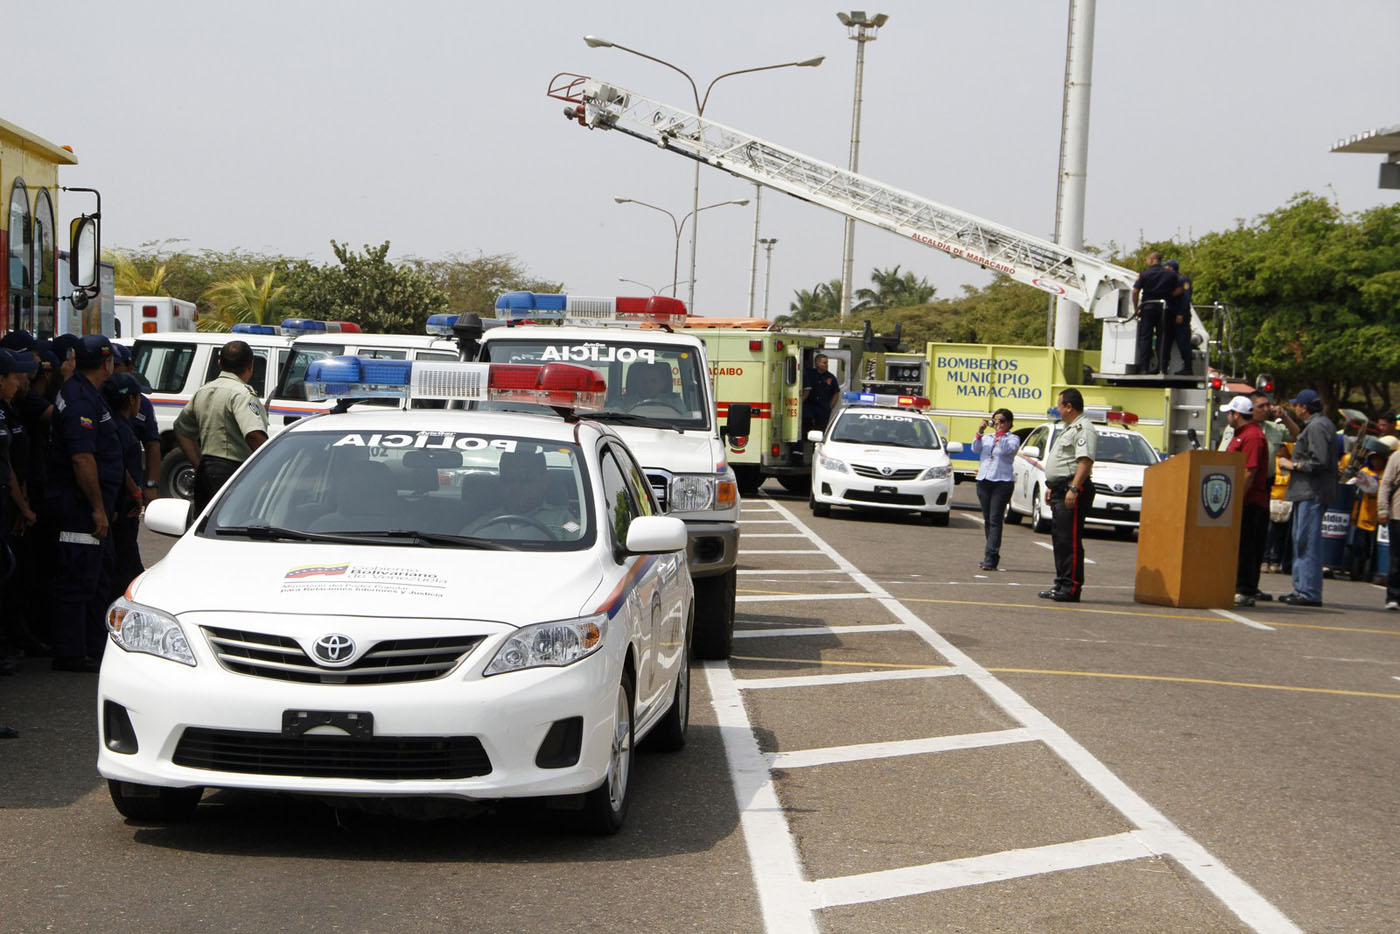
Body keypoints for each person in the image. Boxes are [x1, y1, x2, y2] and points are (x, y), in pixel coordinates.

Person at [45, 335, 125, 672]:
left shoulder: (84, 392)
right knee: (78, 579)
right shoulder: (80, 401)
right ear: (107, 363)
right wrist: (96, 507)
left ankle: (89, 646)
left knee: (97, 575)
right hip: (79, 508)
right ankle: (71, 653)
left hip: (92, 505)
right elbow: (82, 458)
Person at [173, 340, 269, 517]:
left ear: (219, 363)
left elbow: (181, 430)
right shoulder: (242, 394)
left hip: (205, 473)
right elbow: (254, 435)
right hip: (233, 474)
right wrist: (271, 465)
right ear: (251, 365)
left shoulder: (203, 391)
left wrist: (199, 463)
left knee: (206, 528)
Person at [1275, 388, 1337, 606]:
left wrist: (1293, 465)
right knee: (1300, 542)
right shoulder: (1315, 425)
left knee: (1307, 543)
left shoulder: (1318, 427)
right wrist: (1284, 417)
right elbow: (1298, 432)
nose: (1295, 408)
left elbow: (1320, 461)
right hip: (1306, 491)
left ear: (1304, 407)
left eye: (1297, 405)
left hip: (1313, 491)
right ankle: (1301, 588)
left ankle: (1308, 592)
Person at [1040, 388, 1097, 602]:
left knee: (1070, 540)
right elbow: (1064, 461)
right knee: (1060, 540)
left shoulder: (1084, 428)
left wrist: (1073, 488)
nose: (1058, 409)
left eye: (1059, 405)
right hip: (1060, 489)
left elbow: (1085, 461)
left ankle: (1071, 588)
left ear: (1069, 407)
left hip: (1071, 490)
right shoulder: (1069, 428)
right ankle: (1061, 584)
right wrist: (1051, 485)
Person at [101, 372, 148, 597]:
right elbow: (118, 467)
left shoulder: (115, 424)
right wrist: (135, 492)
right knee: (124, 573)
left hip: (120, 509)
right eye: (139, 397)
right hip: (121, 511)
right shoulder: (119, 430)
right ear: (131, 399)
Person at [465, 450, 576, 540]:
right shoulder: (478, 526)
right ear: (500, 482)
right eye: (508, 479)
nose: (516, 486)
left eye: (526, 478)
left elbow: (582, 548)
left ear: (544, 480)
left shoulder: (565, 522)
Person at [1222, 396, 1269, 606]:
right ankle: (1237, 586)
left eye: (1229, 412)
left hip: (1251, 502)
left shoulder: (1253, 437)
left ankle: (1246, 589)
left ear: (1237, 414)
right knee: (1240, 546)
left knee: (1248, 547)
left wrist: (1236, 499)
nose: (1227, 416)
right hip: (1242, 500)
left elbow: (1249, 472)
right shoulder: (1239, 434)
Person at [972, 408, 1020, 571]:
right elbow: (975, 449)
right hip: (984, 480)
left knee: (995, 518)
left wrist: (1000, 434)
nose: (997, 423)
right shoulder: (988, 438)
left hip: (1002, 481)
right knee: (987, 518)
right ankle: (991, 553)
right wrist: (980, 431)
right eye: (995, 420)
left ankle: (991, 556)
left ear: (1008, 423)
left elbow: (1008, 451)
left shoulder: (1013, 438)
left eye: (1001, 421)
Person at [114, 343, 162, 506]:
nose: (110, 370)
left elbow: (152, 445)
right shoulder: (97, 398)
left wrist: (151, 485)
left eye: (116, 365)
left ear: (129, 368)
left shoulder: (141, 403)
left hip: (130, 489)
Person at [1129, 252, 1183, 374]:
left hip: (1148, 308)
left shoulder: (1144, 274)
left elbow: (1135, 291)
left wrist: (1136, 308)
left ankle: (1144, 367)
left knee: (1145, 338)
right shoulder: (1171, 274)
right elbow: (1180, 289)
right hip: (1164, 309)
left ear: (1152, 260)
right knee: (1163, 338)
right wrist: (1168, 295)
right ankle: (1162, 367)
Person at [1346, 439, 1386, 584]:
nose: (1376, 462)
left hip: (1378, 516)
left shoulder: (1385, 474)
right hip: (1363, 514)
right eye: (1374, 459)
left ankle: (1370, 573)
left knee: (1373, 548)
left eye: (1379, 459)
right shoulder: (1364, 471)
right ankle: (1356, 572)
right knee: (1359, 546)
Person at [1377, 437, 1400, 610]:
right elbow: (1385, 484)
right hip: (1398, 515)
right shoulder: (1397, 457)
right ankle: (1393, 596)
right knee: (1397, 558)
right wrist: (1383, 509)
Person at [1161, 259, 1194, 376]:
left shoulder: (1183, 279)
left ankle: (1188, 367)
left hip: (1180, 315)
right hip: (1169, 314)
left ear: (1171, 268)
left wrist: (1180, 313)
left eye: (1166, 267)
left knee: (1183, 341)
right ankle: (1163, 366)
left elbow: (1185, 297)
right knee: (1166, 341)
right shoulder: (1169, 280)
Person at [802, 354, 840, 435]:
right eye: (824, 363)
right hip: (809, 406)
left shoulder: (831, 377)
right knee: (805, 427)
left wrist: (830, 406)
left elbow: (836, 393)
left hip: (823, 408)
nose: (826, 365)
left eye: (827, 363)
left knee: (820, 431)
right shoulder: (809, 374)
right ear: (817, 363)